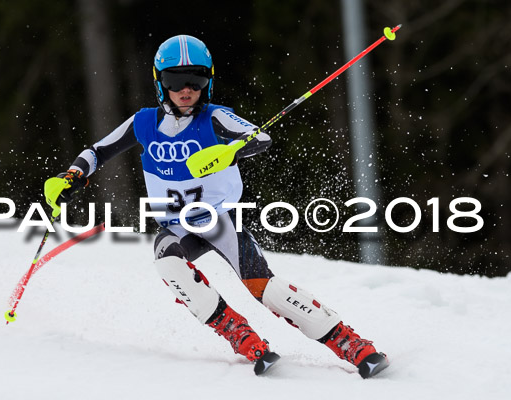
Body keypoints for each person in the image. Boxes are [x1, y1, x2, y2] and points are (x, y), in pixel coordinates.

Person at [45, 34, 388, 378]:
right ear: (159, 82)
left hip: (221, 219)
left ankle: (349, 343)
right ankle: (238, 333)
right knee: (168, 264)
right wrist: (73, 175)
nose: (186, 89)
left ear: (208, 81)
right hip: (176, 225)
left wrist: (230, 151)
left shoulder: (215, 117)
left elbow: (261, 137)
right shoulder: (144, 122)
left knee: (262, 287)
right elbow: (96, 152)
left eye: (196, 80)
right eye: (175, 80)